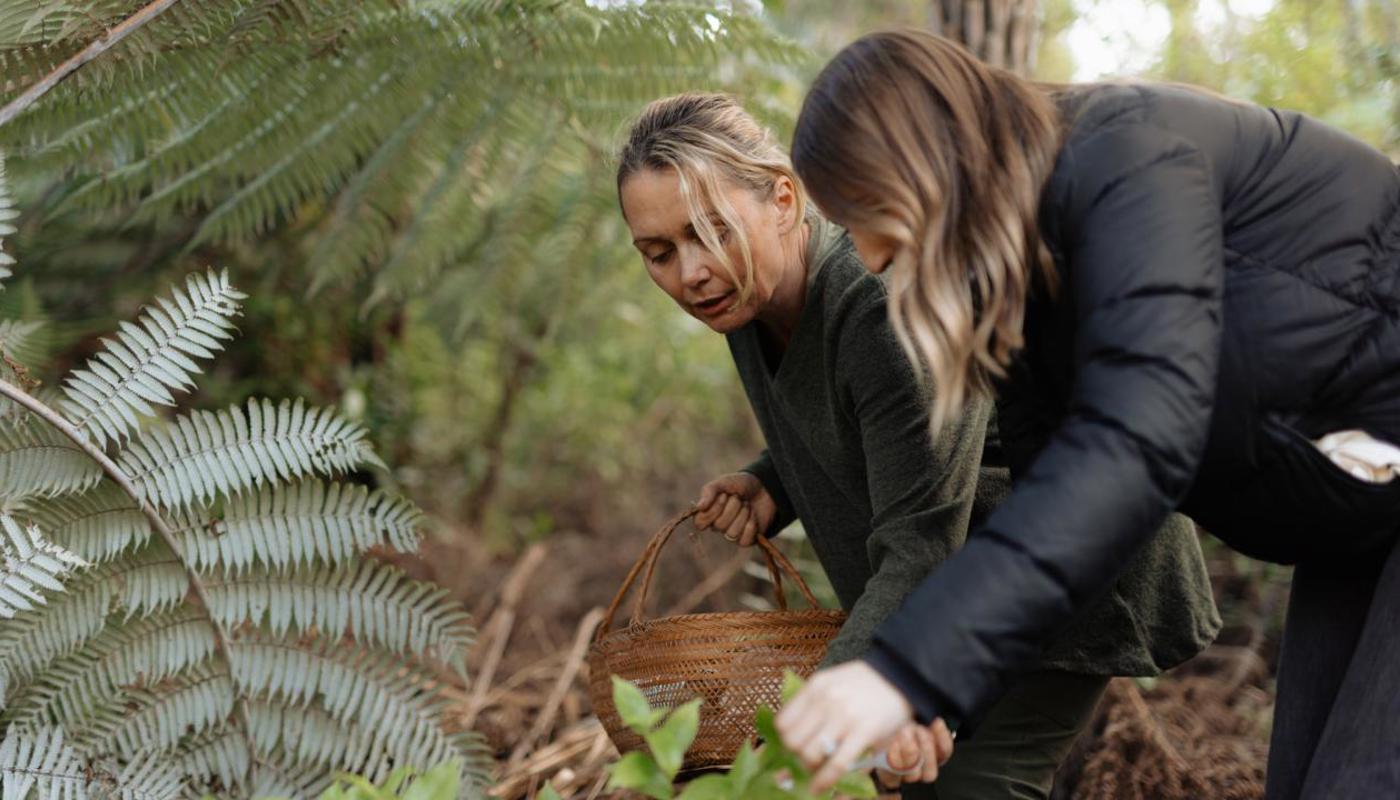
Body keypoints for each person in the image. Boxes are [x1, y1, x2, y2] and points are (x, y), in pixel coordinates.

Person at [775, 29, 1400, 800]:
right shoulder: (1032, 288)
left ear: (924, 164)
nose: (868, 257)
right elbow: (1065, 528)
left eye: (867, 212)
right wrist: (932, 701)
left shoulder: (1129, 156)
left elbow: (1140, 438)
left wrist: (904, 667)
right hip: (1357, 525)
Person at [616, 92, 1221, 799]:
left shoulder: (879, 307)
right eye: (659, 252)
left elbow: (923, 540)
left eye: (711, 231)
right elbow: (880, 429)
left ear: (783, 200)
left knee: (969, 787)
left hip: (1054, 574)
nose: (689, 273)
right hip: (953, 591)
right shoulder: (747, 303)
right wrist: (771, 480)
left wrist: (812, 724)